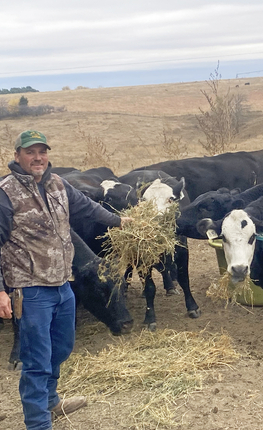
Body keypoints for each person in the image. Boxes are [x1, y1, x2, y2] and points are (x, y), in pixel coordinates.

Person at [0, 130, 131, 430]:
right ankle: (38, 423)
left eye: (42, 152)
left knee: (62, 346)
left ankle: (51, 400)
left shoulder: (58, 183)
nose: (38, 158)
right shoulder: (5, 193)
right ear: (18, 155)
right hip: (29, 289)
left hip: (62, 284)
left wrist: (119, 220)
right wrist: (0, 292)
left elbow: (87, 207)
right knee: (36, 358)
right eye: (30, 152)